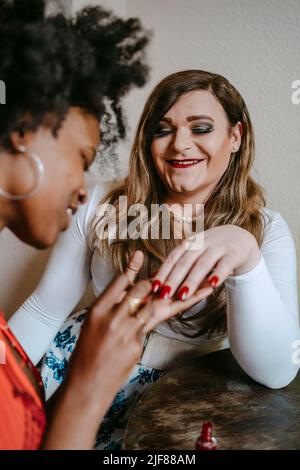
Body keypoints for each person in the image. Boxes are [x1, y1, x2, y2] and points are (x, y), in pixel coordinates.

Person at [10, 70, 300, 449]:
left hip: (177, 400)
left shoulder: (266, 231)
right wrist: (5, 382)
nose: (180, 145)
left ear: (235, 137)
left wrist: (244, 255)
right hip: (75, 373)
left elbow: (276, 372)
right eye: (163, 130)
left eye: (200, 128)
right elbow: (44, 311)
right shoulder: (101, 203)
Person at [0, 1, 209, 450]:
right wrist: (89, 389)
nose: (82, 190)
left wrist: (84, 375)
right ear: (21, 130)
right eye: (81, 159)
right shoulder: (101, 204)